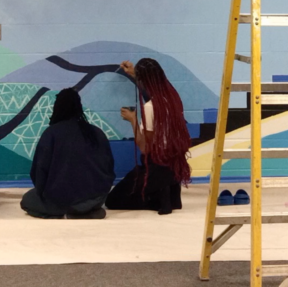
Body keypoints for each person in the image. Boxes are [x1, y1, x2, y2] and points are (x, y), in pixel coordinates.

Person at [105, 58, 191, 215]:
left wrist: (133, 121)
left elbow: (146, 148)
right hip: (172, 168)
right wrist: (134, 73)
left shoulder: (150, 108)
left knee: (113, 200)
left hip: (156, 168)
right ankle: (168, 193)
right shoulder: (173, 100)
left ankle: (158, 197)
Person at [20, 88, 115, 219]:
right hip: (94, 199)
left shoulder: (51, 133)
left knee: (27, 199)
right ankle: (85, 212)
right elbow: (109, 169)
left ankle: (63, 213)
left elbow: (39, 172)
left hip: (59, 201)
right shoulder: (96, 133)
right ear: (79, 107)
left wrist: (43, 193)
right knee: (85, 202)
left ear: (56, 108)